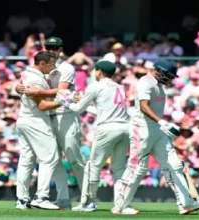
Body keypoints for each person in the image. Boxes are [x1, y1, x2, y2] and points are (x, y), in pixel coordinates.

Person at [113, 59, 199, 215]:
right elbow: (144, 106)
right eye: (169, 75)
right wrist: (162, 122)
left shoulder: (159, 86)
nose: (170, 79)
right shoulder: (145, 82)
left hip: (157, 130)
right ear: (160, 71)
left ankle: (186, 203)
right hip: (142, 129)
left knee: (174, 165)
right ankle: (120, 206)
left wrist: (162, 124)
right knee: (137, 168)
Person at [56, 61, 138, 214]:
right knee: (118, 168)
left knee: (93, 166)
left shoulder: (95, 85)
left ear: (99, 72)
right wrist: (81, 103)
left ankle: (89, 202)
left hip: (107, 128)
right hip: (125, 128)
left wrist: (64, 101)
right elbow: (102, 110)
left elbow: (77, 109)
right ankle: (122, 204)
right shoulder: (119, 87)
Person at [17, 37, 85, 209]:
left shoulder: (65, 67)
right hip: (46, 115)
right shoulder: (41, 64)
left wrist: (37, 91)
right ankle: (63, 198)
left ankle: (88, 199)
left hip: (64, 115)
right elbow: (23, 84)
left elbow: (63, 91)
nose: (52, 50)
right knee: (53, 160)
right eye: (49, 47)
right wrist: (18, 88)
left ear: (61, 49)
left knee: (74, 158)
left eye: (55, 48)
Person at [15, 51, 62, 210]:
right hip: (36, 121)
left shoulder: (27, 73)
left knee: (26, 160)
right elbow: (42, 106)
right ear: (42, 63)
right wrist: (64, 101)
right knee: (50, 157)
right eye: (51, 64)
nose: (53, 67)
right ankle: (41, 197)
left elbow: (20, 88)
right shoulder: (36, 79)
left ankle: (22, 199)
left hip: (23, 119)